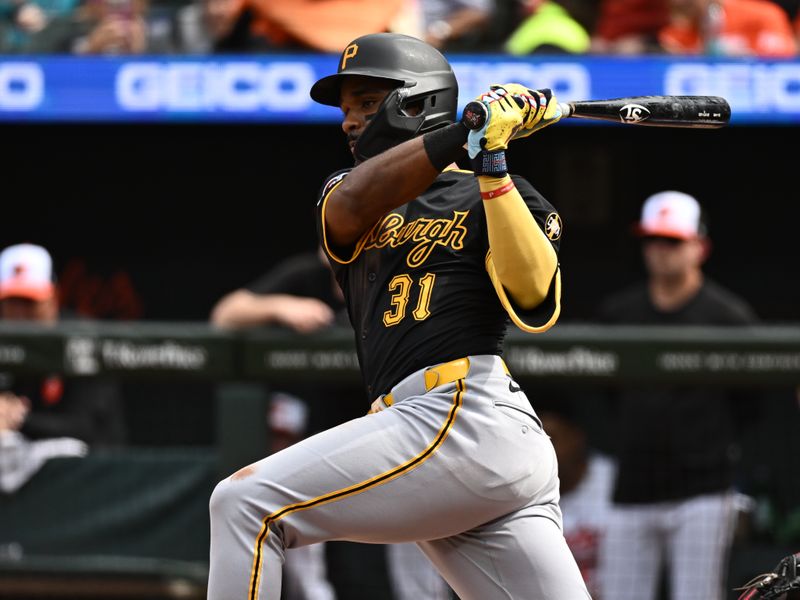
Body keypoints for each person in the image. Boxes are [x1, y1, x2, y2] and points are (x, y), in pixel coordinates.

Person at [208, 32, 590, 600]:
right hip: (440, 439)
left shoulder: (504, 192)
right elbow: (353, 206)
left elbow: (535, 300)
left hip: (464, 415)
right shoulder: (351, 193)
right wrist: (467, 130)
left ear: (416, 102)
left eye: (366, 102)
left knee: (243, 503)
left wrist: (493, 164)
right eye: (345, 109)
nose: (349, 121)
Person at [211, 246, 453, 600]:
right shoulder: (306, 276)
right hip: (323, 432)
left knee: (422, 536)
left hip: (395, 427)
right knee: (278, 517)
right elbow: (225, 315)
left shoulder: (405, 272)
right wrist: (281, 307)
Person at [596, 191, 760, 600]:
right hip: (633, 484)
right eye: (654, 240)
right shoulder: (620, 313)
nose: (661, 251)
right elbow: (606, 394)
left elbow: (752, 404)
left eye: (673, 241)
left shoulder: (729, 317)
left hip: (703, 490)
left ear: (699, 247)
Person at [0, 243, 126, 490]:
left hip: (88, 482)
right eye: (12, 302)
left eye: (29, 302)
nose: (21, 314)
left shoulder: (83, 339)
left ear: (52, 297)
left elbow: (87, 428)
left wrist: (20, 418)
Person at [537, 397, 616, 599]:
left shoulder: (614, 481)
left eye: (552, 438)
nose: (545, 450)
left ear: (576, 437)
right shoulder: (524, 493)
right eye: (537, 441)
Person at [658, 0, 797, 56]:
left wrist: (740, 53)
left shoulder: (763, 15)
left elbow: (786, 57)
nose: (678, 2)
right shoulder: (672, 34)